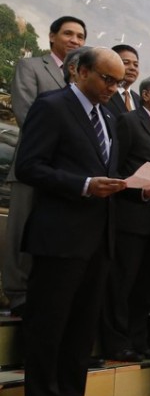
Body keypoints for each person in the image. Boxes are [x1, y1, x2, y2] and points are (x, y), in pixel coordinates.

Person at [16, 47, 129, 396]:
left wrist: (141, 191)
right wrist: (82, 186)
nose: (114, 89)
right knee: (49, 328)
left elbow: (108, 173)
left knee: (81, 329)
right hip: (59, 237)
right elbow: (28, 166)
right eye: (107, 79)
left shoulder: (109, 116)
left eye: (119, 83)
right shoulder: (53, 106)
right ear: (79, 71)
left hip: (98, 238)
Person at [4, 16, 87, 315]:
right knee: (21, 231)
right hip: (33, 164)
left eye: (80, 36)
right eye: (68, 33)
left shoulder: (84, 77)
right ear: (52, 36)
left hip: (65, 175)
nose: (75, 40)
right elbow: (27, 113)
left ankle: (41, 291)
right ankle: (16, 293)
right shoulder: (31, 67)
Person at [102, 75, 150, 362]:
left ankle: (137, 339)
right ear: (145, 95)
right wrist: (142, 192)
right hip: (130, 216)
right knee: (122, 284)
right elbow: (115, 167)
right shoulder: (130, 122)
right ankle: (116, 342)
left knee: (145, 287)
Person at [104, 44, 142, 116]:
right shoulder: (103, 93)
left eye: (136, 65)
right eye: (126, 63)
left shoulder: (140, 101)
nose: (132, 68)